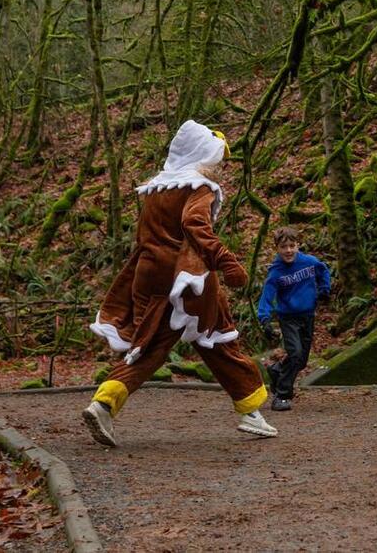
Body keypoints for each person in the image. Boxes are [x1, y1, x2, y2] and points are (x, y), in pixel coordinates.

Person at [83, 120, 277, 446]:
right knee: (217, 339)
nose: (219, 169)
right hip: (186, 278)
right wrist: (226, 262)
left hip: (147, 276)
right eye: (216, 161)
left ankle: (105, 400)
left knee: (154, 342)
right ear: (202, 157)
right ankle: (251, 411)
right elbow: (194, 225)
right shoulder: (198, 187)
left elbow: (144, 236)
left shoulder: (157, 188)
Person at [257, 227, 331, 411]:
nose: (288, 250)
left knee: (301, 360)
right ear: (277, 248)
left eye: (292, 246)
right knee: (295, 353)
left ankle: (276, 371)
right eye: (284, 247)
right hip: (288, 318)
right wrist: (265, 319)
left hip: (307, 315)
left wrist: (324, 290)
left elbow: (323, 270)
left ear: (298, 245)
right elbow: (267, 296)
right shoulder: (276, 272)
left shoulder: (308, 262)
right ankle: (282, 396)